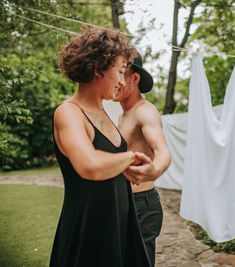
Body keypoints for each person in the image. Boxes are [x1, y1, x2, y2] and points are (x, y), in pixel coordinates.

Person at [50, 27, 151, 267]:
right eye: (119, 71)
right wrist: (130, 158)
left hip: (119, 228)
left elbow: (109, 164)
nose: (121, 80)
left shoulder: (105, 113)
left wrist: (128, 168)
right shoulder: (69, 113)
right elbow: (90, 166)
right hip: (89, 233)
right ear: (98, 69)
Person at [115, 52, 171, 267]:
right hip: (125, 203)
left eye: (121, 73)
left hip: (142, 205)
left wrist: (155, 169)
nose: (116, 81)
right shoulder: (123, 114)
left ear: (135, 78)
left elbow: (162, 151)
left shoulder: (145, 112)